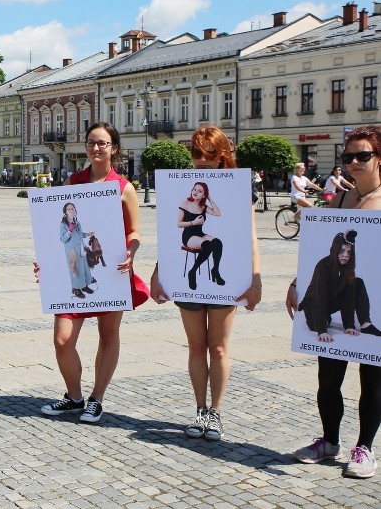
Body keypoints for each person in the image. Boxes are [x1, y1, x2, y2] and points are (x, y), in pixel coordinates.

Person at [150, 126, 262, 442]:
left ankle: (215, 412)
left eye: (209, 154)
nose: (202, 160)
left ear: (222, 154)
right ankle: (200, 411)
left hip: (230, 279)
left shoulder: (241, 188)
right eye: (197, 153)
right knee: (197, 346)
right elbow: (169, 233)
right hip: (189, 258)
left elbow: (250, 236)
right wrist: (159, 272)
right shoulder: (184, 188)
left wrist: (256, 281)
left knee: (219, 346)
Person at [36, 122, 149, 423]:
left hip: (112, 269)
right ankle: (74, 397)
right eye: (91, 142)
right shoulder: (74, 181)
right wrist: (46, 260)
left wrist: (131, 250)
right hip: (74, 267)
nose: (96, 148)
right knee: (63, 339)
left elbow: (135, 231)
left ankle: (96, 398)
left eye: (102, 143)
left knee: (108, 335)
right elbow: (58, 227)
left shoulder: (124, 187)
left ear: (114, 148)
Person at [288, 125, 381, 478]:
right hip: (335, 296)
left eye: (363, 156)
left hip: (372, 295)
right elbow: (321, 249)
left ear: (378, 158)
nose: (355, 162)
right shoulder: (341, 199)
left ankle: (365, 448)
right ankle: (329, 441)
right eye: (348, 157)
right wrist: (298, 282)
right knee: (328, 379)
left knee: (372, 380)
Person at [297, 229, 379, 339]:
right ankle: (324, 319)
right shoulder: (323, 266)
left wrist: (349, 326)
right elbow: (319, 297)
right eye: (341, 251)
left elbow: (349, 297)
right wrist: (322, 330)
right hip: (313, 304)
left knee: (357, 282)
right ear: (335, 250)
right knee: (315, 327)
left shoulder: (348, 268)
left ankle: (365, 324)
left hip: (330, 301)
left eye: (349, 252)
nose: (345, 255)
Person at [178, 182, 226, 289]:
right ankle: (192, 271)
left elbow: (217, 213)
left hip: (200, 234)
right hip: (188, 236)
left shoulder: (203, 206)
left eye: (200, 191)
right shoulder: (185, 204)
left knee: (217, 243)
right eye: (194, 189)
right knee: (207, 245)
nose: (196, 192)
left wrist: (209, 198)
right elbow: (178, 224)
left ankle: (215, 271)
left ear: (204, 195)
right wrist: (193, 222)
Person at [60, 202, 96, 298]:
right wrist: (69, 231)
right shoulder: (63, 224)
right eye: (69, 209)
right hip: (72, 251)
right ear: (65, 212)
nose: (72, 210)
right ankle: (76, 289)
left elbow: (80, 234)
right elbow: (63, 239)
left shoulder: (77, 222)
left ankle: (84, 286)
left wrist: (87, 234)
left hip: (81, 249)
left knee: (84, 267)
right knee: (75, 270)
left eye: (73, 208)